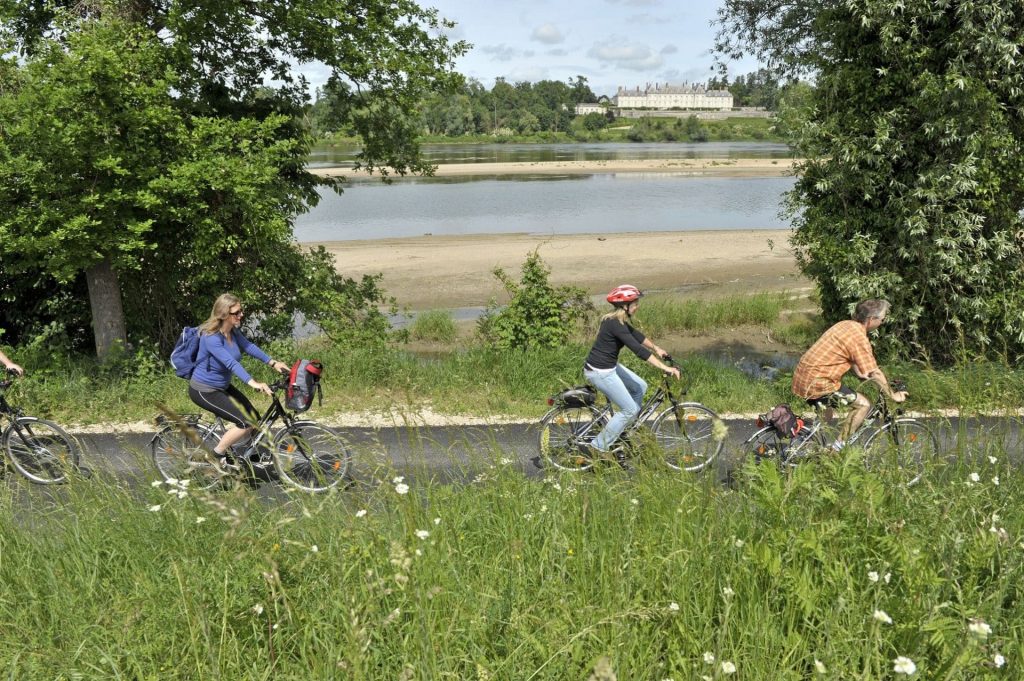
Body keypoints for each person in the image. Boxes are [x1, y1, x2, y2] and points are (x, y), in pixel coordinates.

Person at [188, 293, 290, 468]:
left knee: (254, 418)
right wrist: (254, 383)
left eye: (241, 311)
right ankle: (216, 455)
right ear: (224, 314)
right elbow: (231, 363)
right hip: (204, 390)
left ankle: (250, 454)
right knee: (245, 422)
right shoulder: (211, 337)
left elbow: (249, 346)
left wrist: (273, 363)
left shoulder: (232, 331)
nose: (241, 315)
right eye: (237, 312)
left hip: (222, 386)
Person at [791, 298, 907, 450]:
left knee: (826, 414)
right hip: (819, 382)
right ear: (872, 319)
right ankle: (836, 450)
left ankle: (808, 445)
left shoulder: (845, 325)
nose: (882, 322)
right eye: (882, 319)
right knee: (863, 405)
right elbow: (875, 373)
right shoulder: (859, 338)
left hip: (804, 377)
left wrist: (860, 373)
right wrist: (893, 395)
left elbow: (849, 357)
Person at [583, 285, 680, 462]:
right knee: (630, 409)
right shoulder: (615, 324)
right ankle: (599, 446)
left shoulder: (618, 321)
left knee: (640, 387)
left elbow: (638, 336)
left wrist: (657, 348)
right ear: (625, 306)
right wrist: (665, 368)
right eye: (635, 303)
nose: (638, 306)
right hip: (599, 372)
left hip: (608, 366)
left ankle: (624, 427)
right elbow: (638, 350)